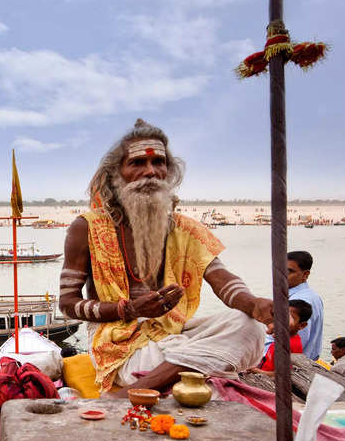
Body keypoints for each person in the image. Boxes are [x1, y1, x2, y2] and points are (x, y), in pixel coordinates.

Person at [59, 119, 272, 394]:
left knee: (249, 327)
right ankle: (142, 388)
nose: (151, 171)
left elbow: (222, 279)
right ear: (116, 174)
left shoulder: (186, 229)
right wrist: (130, 310)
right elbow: (67, 303)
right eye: (137, 164)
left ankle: (142, 388)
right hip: (120, 345)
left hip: (171, 334)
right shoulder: (86, 228)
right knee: (192, 358)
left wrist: (254, 305)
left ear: (169, 171)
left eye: (159, 162)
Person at [263, 251, 324, 361]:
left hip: (284, 367)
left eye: (289, 271)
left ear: (305, 275)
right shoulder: (311, 296)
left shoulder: (300, 301)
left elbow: (294, 341)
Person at [251, 299, 312, 374]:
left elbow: (283, 375)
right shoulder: (282, 339)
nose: (280, 321)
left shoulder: (291, 345)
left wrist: (257, 371)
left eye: (288, 319)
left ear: (302, 325)